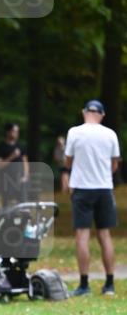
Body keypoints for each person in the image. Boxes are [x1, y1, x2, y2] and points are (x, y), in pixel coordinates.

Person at [64, 99, 121, 297]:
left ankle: (84, 284)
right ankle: (110, 284)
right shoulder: (110, 134)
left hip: (82, 188)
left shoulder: (74, 132)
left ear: (84, 112)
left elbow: (68, 161)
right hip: (104, 188)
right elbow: (114, 165)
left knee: (82, 235)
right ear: (102, 115)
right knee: (104, 235)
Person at [0, 122, 29, 208]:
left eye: (17, 131)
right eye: (14, 131)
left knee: (23, 204)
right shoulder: (1, 147)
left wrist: (25, 176)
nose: (16, 134)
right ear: (8, 132)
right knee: (7, 205)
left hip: (20, 180)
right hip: (6, 181)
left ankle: (24, 219)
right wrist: (12, 156)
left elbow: (25, 162)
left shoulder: (20, 146)